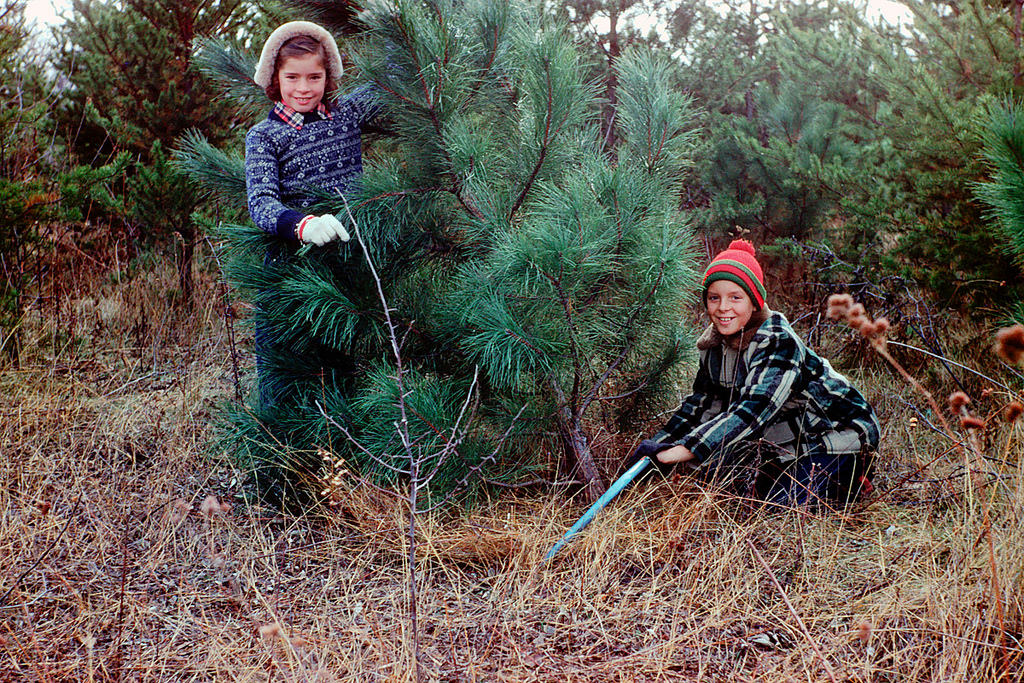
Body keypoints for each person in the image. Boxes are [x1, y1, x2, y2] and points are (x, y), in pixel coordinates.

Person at [630, 240, 881, 507]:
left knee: (778, 506)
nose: (723, 308)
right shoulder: (714, 346)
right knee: (729, 486)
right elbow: (702, 405)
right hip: (786, 433)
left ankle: (851, 476)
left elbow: (754, 410)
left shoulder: (778, 341)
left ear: (755, 301)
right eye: (714, 298)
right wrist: (659, 446)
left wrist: (682, 451)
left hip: (837, 432)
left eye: (735, 297)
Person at [245, 21, 382, 405]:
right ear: (275, 78)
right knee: (282, 368)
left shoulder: (347, 116)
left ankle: (339, 452)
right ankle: (278, 459)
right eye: (292, 77)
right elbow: (261, 203)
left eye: (314, 77)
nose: (303, 88)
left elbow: (395, 79)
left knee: (339, 366)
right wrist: (304, 225)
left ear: (328, 77)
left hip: (344, 262)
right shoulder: (263, 136)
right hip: (288, 267)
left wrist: (394, 20)